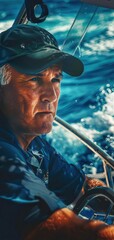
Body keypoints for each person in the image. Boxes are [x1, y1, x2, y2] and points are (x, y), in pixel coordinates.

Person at [0, 24, 113, 240]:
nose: (51, 95)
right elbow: (63, 232)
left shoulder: (33, 143)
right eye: (35, 79)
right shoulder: (4, 156)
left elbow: (81, 186)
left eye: (56, 79)